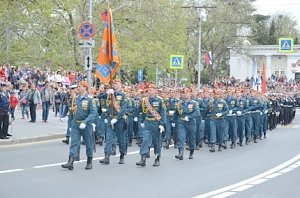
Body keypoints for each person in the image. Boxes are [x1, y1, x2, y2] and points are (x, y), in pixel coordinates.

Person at [61, 81, 97, 170]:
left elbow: (93, 112)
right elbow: (72, 112)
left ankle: (89, 161)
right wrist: (70, 124)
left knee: (89, 143)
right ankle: (71, 161)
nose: (78, 88)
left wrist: (86, 122)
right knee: (74, 143)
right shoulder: (75, 98)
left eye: (80, 86)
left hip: (86, 125)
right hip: (76, 124)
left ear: (85, 87)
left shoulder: (90, 99)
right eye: (78, 86)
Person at [136, 84, 166, 167]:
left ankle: (157, 158)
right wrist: (141, 121)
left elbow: (163, 113)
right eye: (149, 90)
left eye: (151, 90)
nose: (150, 92)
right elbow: (139, 111)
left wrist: (162, 124)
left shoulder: (160, 100)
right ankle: (143, 158)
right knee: (145, 140)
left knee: (157, 142)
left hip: (156, 123)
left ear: (155, 91)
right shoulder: (144, 100)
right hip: (147, 123)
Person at [99, 79, 128, 165]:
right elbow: (99, 96)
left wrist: (117, 118)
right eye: (114, 83)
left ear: (120, 85)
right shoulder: (110, 94)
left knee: (121, 139)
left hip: (119, 120)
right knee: (109, 138)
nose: (114, 85)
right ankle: (106, 156)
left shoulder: (123, 95)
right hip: (110, 118)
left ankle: (122, 155)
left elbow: (123, 109)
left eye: (116, 83)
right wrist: (107, 92)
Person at [175, 88, 200, 160]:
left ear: (189, 94)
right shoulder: (179, 103)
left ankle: (191, 152)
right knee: (181, 137)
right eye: (183, 93)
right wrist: (173, 121)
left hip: (191, 122)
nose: (185, 94)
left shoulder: (194, 103)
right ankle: (180, 153)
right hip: (181, 122)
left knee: (191, 138)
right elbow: (177, 113)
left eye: (187, 93)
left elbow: (197, 112)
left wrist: (189, 117)